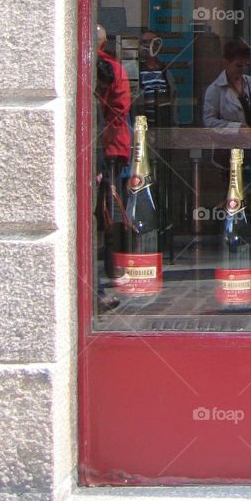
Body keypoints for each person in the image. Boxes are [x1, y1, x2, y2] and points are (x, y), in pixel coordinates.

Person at [203, 39, 251, 194]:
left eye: (245, 65)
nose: (242, 69)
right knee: (236, 192)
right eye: (238, 65)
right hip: (232, 153)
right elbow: (209, 122)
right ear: (226, 63)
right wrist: (237, 128)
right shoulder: (215, 90)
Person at [94, 24, 131, 312]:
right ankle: (111, 270)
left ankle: (111, 270)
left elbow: (118, 111)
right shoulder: (110, 68)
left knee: (105, 212)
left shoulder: (106, 69)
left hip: (103, 150)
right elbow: (120, 110)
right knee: (107, 213)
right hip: (106, 149)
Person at [138, 29, 177, 125]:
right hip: (142, 127)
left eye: (151, 42)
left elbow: (173, 100)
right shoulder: (137, 70)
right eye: (144, 42)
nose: (147, 45)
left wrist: (174, 126)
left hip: (162, 126)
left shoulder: (164, 71)